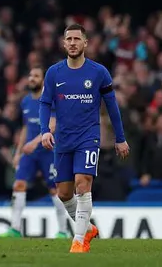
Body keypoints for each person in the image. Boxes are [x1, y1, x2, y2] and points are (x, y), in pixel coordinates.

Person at [40, 24, 130, 253]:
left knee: (83, 183)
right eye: (68, 39)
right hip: (63, 139)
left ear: (85, 43)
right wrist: (44, 130)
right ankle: (88, 228)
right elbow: (45, 103)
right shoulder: (53, 73)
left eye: (76, 39)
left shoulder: (99, 72)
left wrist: (120, 138)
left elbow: (112, 107)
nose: (72, 43)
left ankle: (79, 240)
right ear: (63, 43)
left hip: (88, 137)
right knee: (63, 193)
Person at [0, 67, 70, 238]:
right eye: (30, 75)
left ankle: (63, 231)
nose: (32, 78)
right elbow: (25, 127)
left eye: (36, 76)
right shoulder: (25, 101)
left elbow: (52, 126)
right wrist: (18, 153)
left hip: (48, 150)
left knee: (55, 190)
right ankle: (14, 229)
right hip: (29, 153)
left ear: (44, 80)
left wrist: (34, 143)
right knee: (19, 184)